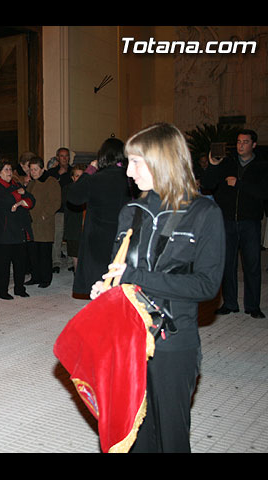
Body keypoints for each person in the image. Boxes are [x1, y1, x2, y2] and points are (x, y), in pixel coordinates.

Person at [90, 122, 225, 452]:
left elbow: (207, 286)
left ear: (163, 161)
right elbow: (119, 270)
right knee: (134, 437)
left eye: (137, 162)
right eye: (129, 161)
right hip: (128, 342)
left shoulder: (204, 213)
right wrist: (106, 290)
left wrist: (137, 277)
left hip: (173, 344)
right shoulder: (130, 212)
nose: (129, 172)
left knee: (171, 438)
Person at [200, 129, 268, 318]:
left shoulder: (261, 166)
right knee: (227, 263)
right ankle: (230, 303)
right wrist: (213, 164)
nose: (241, 145)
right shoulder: (227, 163)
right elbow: (207, 184)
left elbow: (264, 192)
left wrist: (239, 184)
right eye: (238, 142)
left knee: (252, 265)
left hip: (250, 221)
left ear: (253, 145)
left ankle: (253, 306)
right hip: (227, 220)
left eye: (245, 142)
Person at [67, 138, 131, 298]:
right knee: (120, 284)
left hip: (97, 239)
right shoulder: (130, 179)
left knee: (99, 286)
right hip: (122, 237)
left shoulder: (95, 178)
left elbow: (74, 197)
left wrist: (90, 170)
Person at [0, 158, 35, 300]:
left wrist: (22, 199)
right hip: (4, 232)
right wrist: (19, 196)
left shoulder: (16, 184)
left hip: (19, 230)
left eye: (10, 169)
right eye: (6, 170)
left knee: (20, 263)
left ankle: (19, 288)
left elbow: (31, 199)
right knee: (3, 265)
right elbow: (4, 202)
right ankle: (1, 291)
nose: (9, 173)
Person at [26, 156, 61, 288]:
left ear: (42, 169)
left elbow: (56, 202)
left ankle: (46, 279)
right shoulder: (32, 182)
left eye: (35, 169)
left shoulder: (50, 181)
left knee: (44, 253)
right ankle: (35, 276)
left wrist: (44, 215)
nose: (33, 172)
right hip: (32, 223)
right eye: (31, 170)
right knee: (33, 253)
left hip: (44, 224)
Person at [47, 147, 72, 273]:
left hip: (71, 209)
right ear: (57, 157)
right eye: (62, 156)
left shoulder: (73, 171)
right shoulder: (52, 172)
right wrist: (58, 175)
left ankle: (71, 262)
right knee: (57, 237)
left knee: (70, 237)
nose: (64, 158)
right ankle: (55, 262)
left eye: (66, 156)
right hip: (58, 210)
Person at [62, 164, 85, 272]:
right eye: (76, 176)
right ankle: (77, 275)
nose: (79, 178)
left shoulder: (89, 189)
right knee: (75, 254)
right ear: (72, 177)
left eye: (81, 176)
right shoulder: (67, 189)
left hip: (84, 224)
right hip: (73, 224)